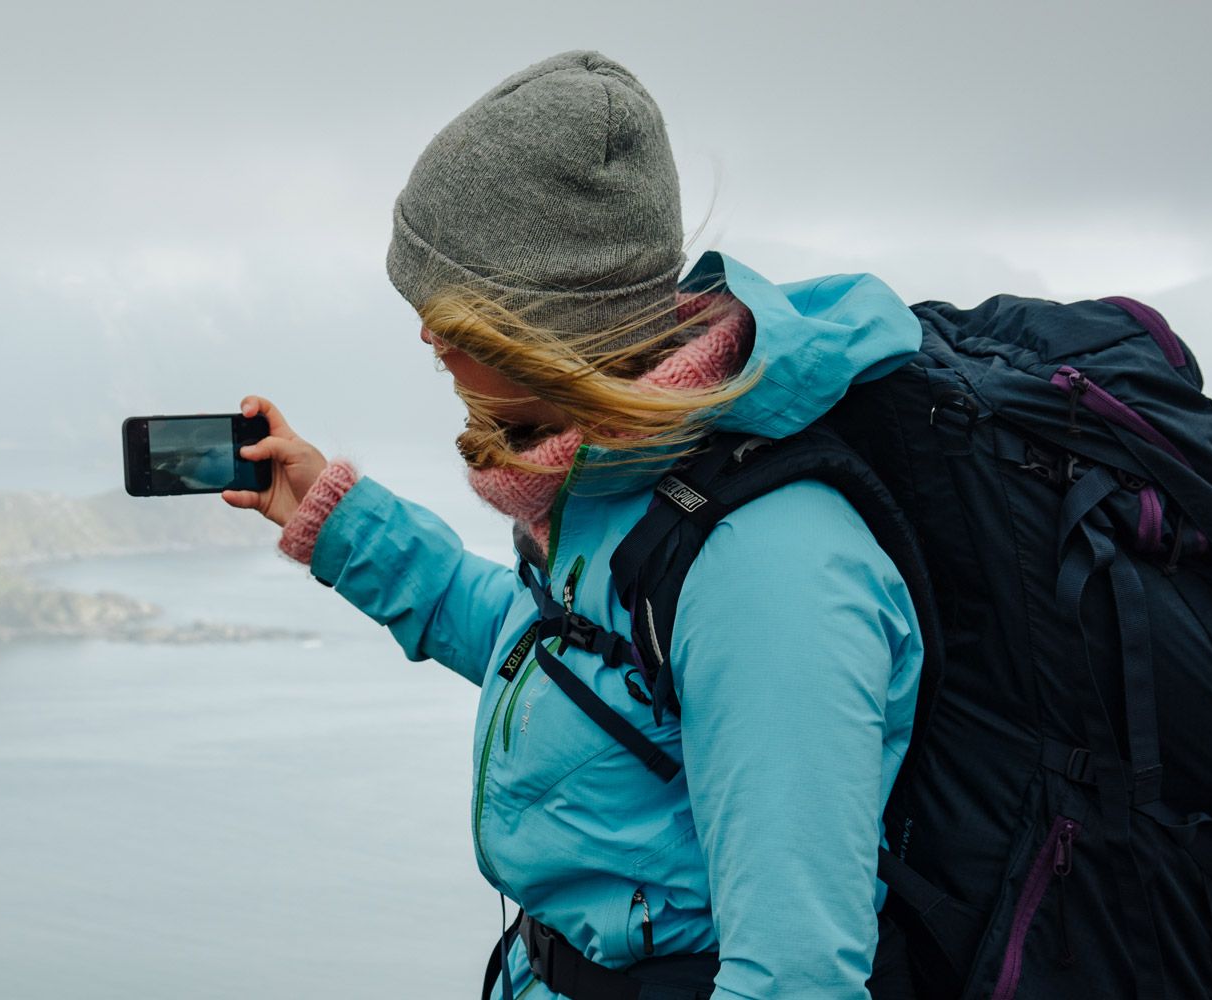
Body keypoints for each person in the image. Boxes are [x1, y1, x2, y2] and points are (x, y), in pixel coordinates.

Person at [221, 50, 925, 1000]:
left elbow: (797, 975)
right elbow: (565, 651)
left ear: (545, 323)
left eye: (455, 315)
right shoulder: (619, 473)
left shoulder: (772, 571)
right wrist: (334, 518)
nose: (427, 336)